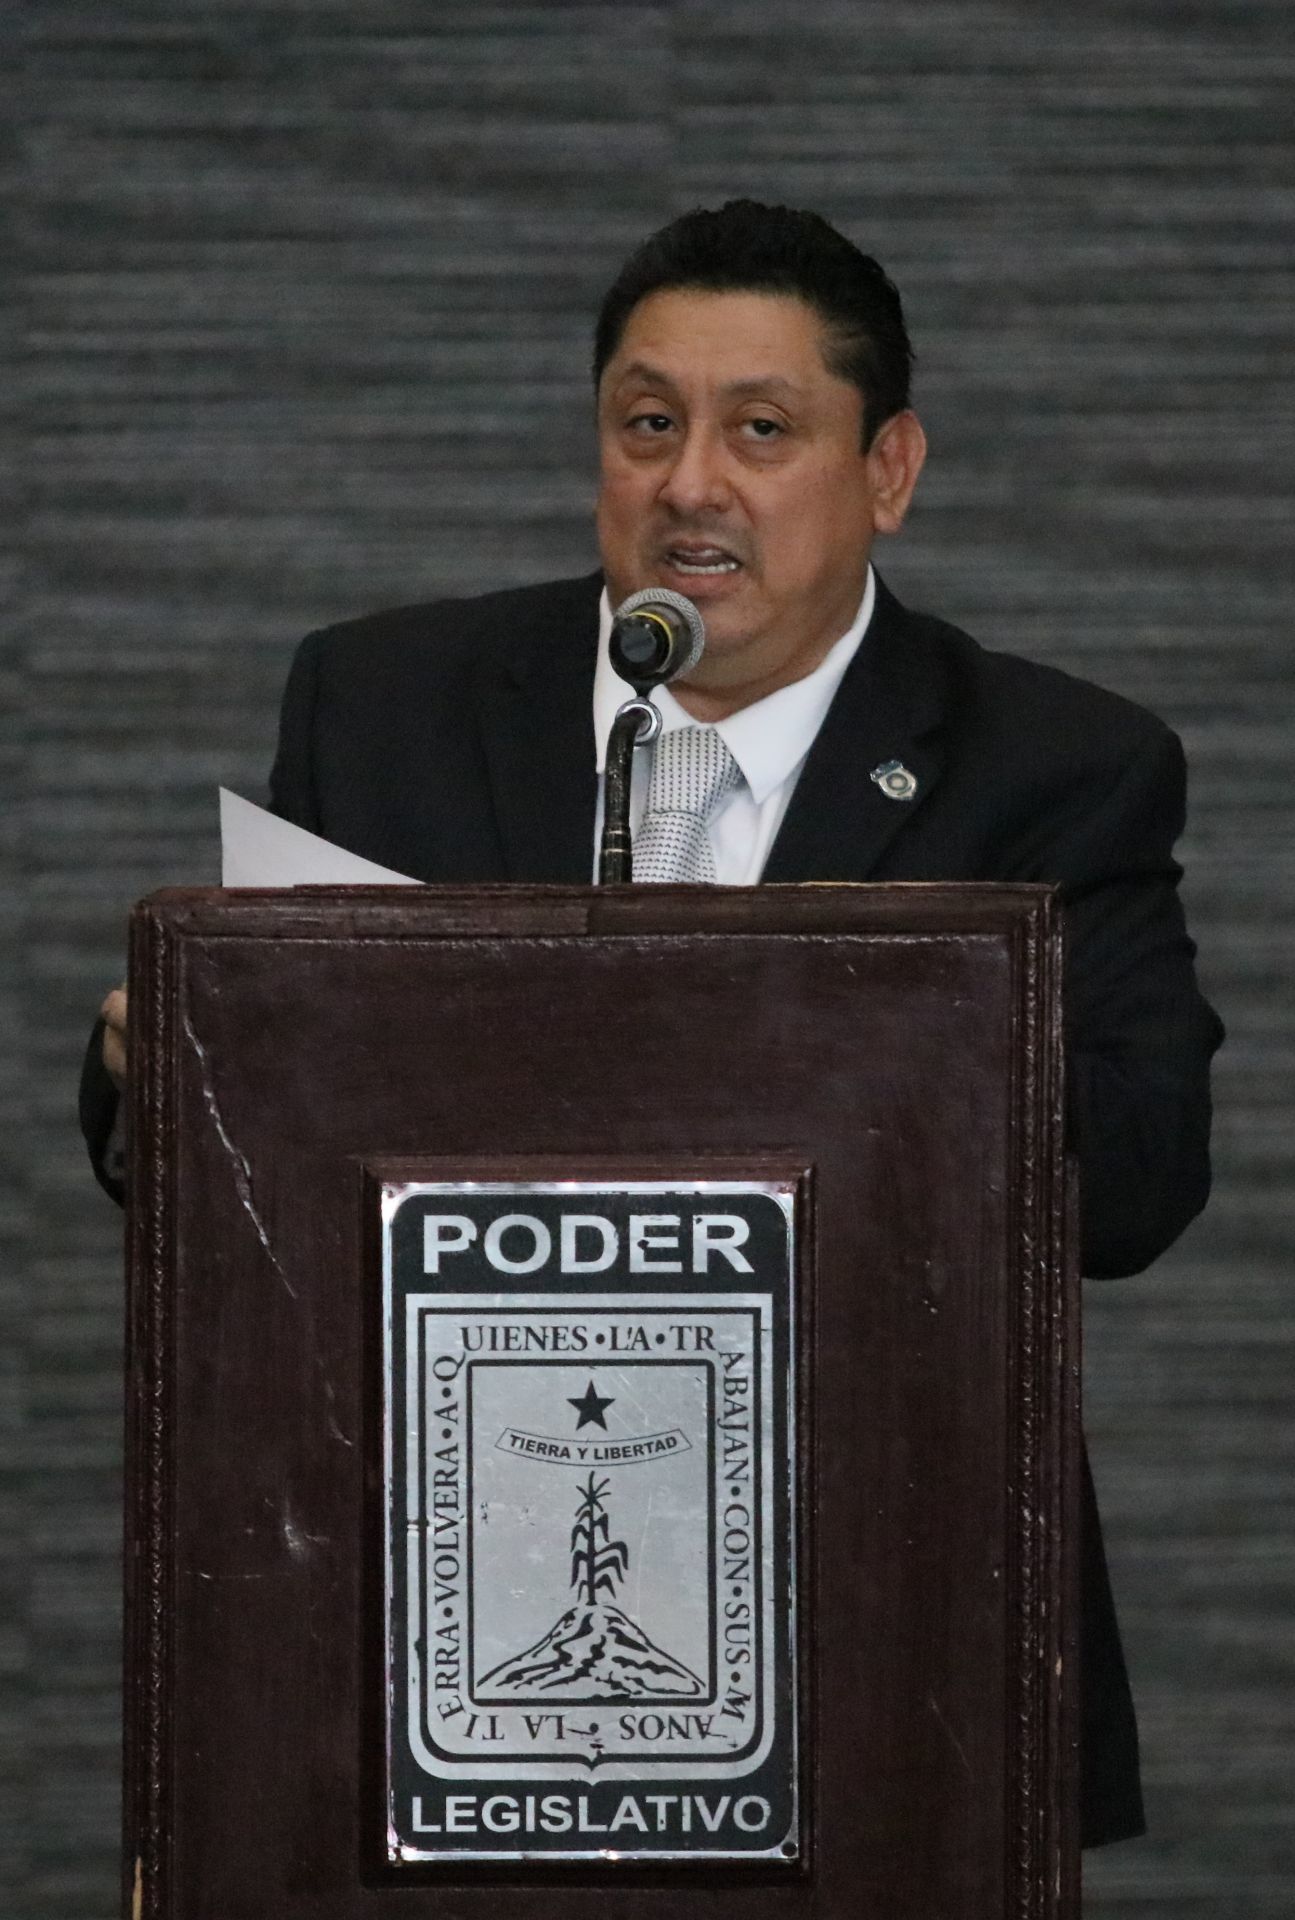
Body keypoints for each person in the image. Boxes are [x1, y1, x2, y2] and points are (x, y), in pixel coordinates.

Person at [81, 199, 1223, 1848]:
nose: (693, 484)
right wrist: (171, 1064)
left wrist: (893, 1026)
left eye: (762, 431)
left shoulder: (1051, 769)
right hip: (436, 1593)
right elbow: (232, 1162)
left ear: (889, 471)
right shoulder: (387, 704)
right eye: (647, 425)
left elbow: (1140, 1182)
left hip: (888, 1605)